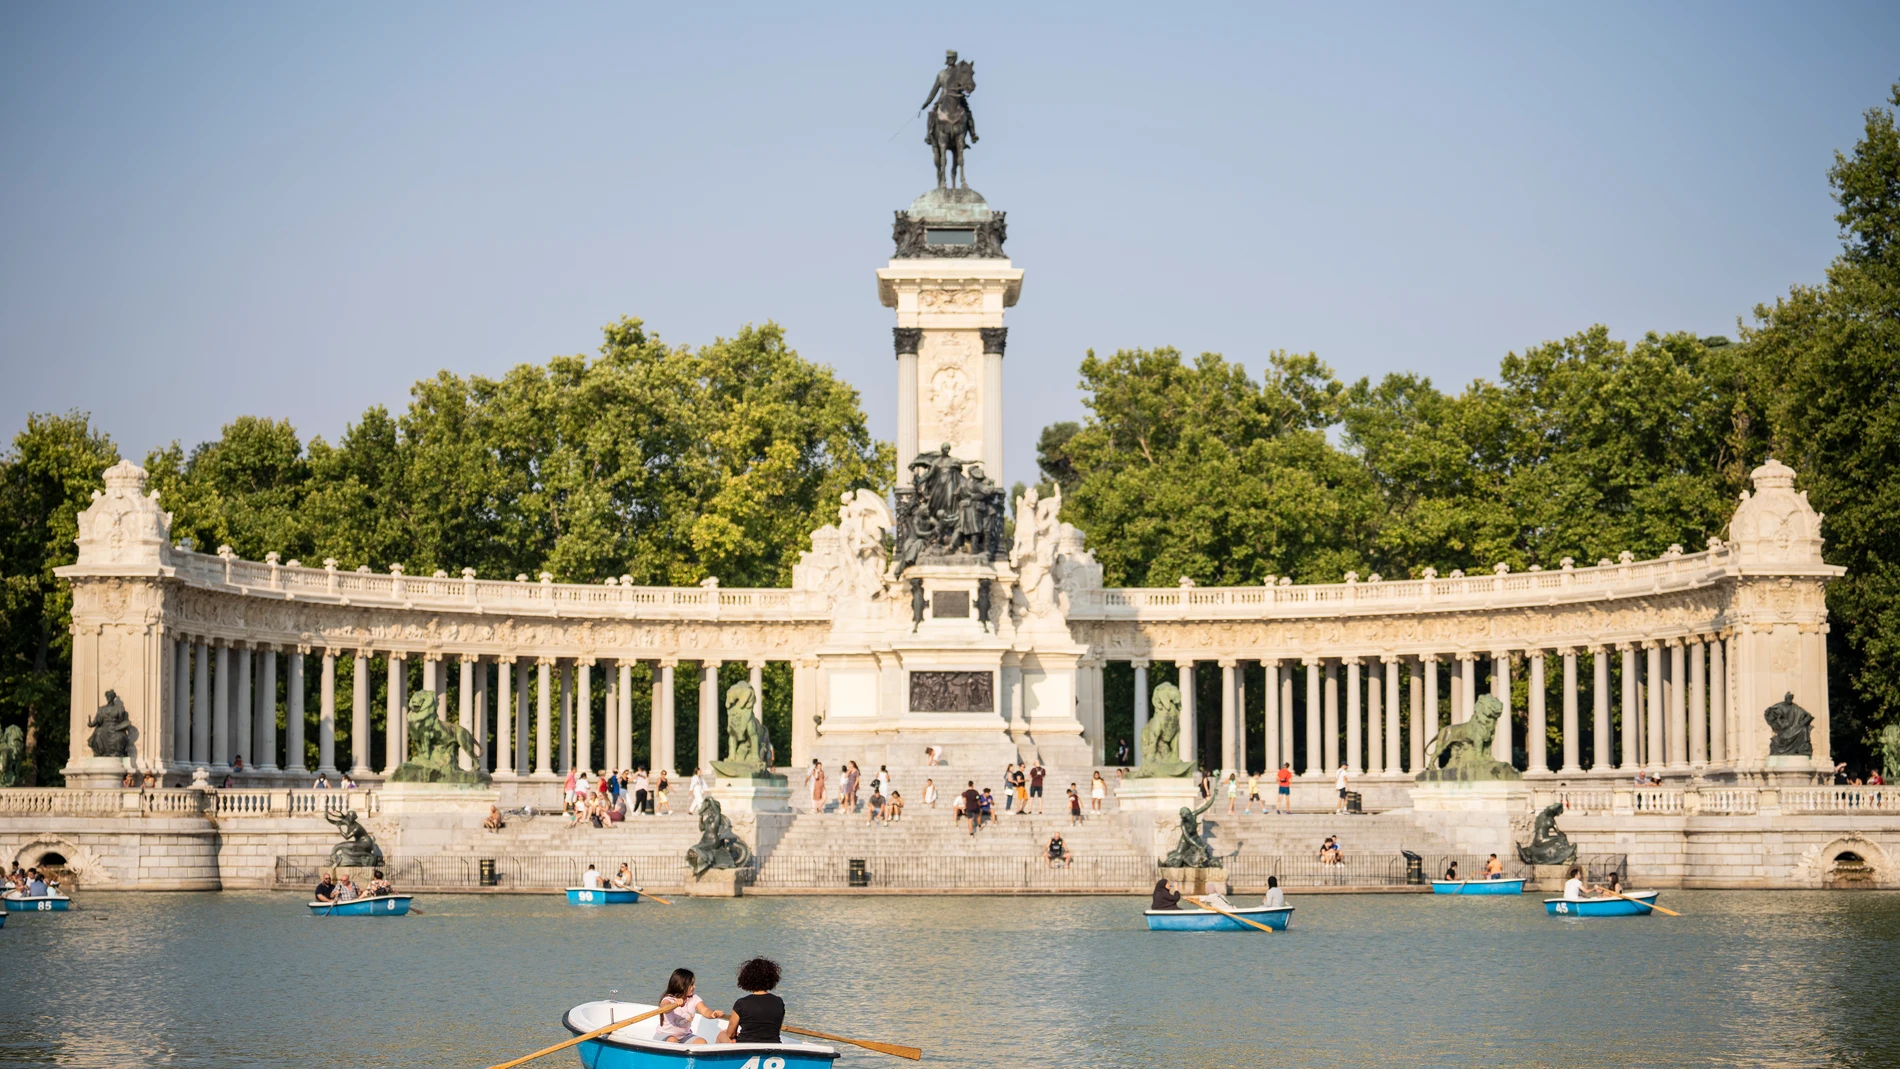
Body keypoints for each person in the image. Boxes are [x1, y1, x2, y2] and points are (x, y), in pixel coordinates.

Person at [718, 958, 785, 1046]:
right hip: (773, 1045)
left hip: (746, 1046)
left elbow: (730, 1034)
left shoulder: (741, 1003)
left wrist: (734, 1037)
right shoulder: (779, 1002)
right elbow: (776, 1029)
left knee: (722, 1034)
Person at [655, 967, 728, 1045]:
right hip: (665, 1035)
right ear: (682, 985)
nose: (694, 987)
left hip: (685, 1036)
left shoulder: (694, 998)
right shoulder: (668, 999)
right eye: (691, 984)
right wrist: (674, 1005)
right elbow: (664, 1008)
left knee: (702, 1042)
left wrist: (713, 1013)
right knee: (673, 1041)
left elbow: (705, 1010)